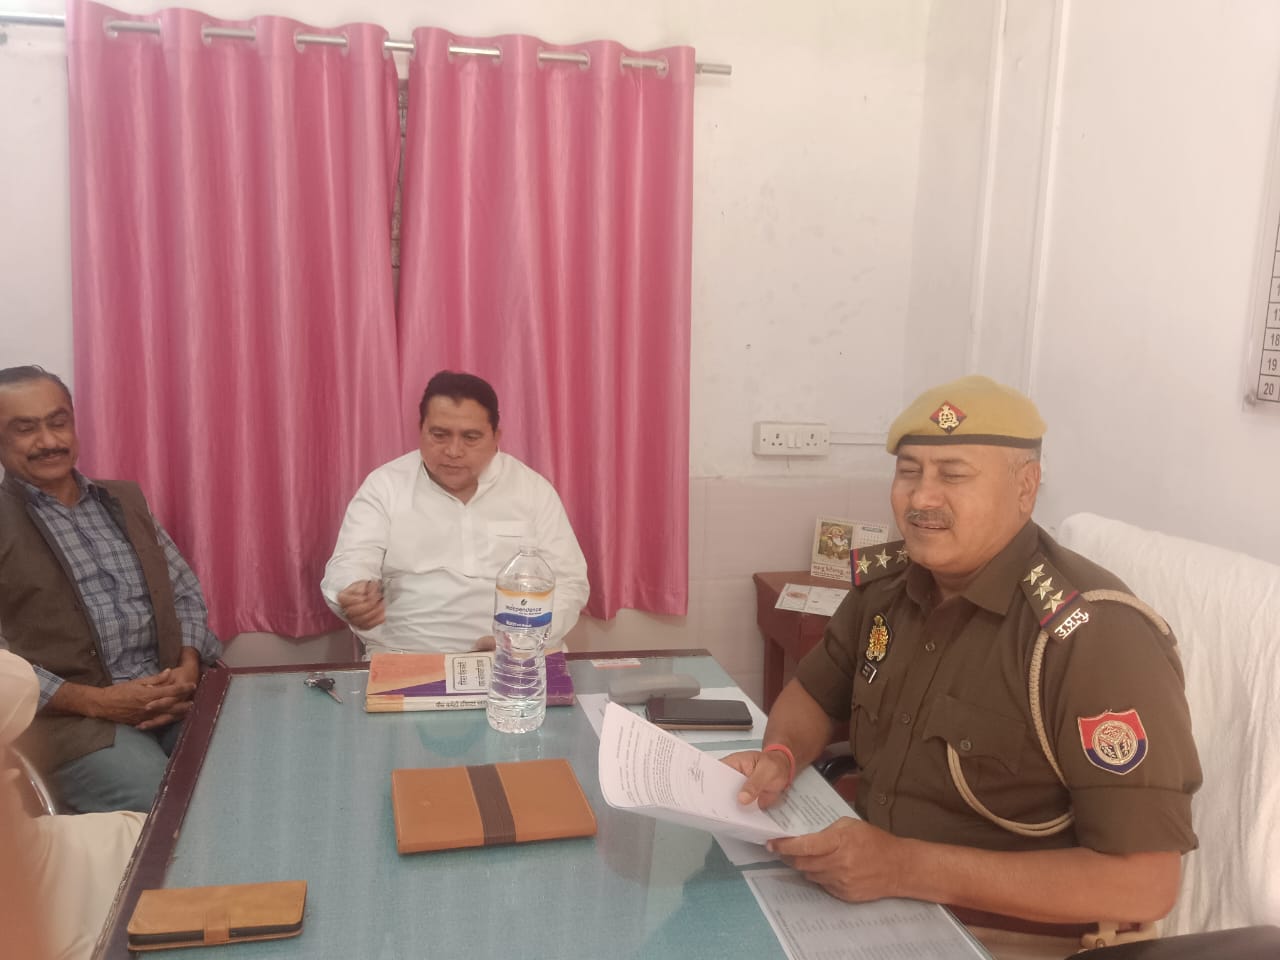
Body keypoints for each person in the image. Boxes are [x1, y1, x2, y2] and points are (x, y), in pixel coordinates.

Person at [726, 375, 1201, 959]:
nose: (922, 498)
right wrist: (781, 755)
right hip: (868, 901)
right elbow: (814, 693)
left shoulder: (1093, 637)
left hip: (1011, 937)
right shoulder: (887, 589)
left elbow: (1144, 884)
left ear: (1025, 487)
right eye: (909, 472)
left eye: (953, 475)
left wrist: (903, 867)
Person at [0, 365, 222, 814]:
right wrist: (99, 702)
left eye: (58, 422)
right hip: (75, 723)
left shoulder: (123, 500)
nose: (49, 441)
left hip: (174, 693)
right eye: (25, 429)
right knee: (172, 809)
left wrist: (188, 664)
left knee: (253, 767)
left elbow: (183, 591)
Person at [322, 370, 589, 655]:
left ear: (496, 437)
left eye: (471, 437)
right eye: (439, 435)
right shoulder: (385, 485)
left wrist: (522, 639)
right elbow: (351, 561)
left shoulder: (532, 489)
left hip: (516, 656)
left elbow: (569, 582)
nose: (453, 451)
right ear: (420, 430)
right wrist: (353, 593)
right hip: (406, 655)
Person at [1, 648, 143, 960]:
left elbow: (19, 684)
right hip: (25, 875)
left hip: (33, 846)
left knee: (161, 833)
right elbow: (20, 684)